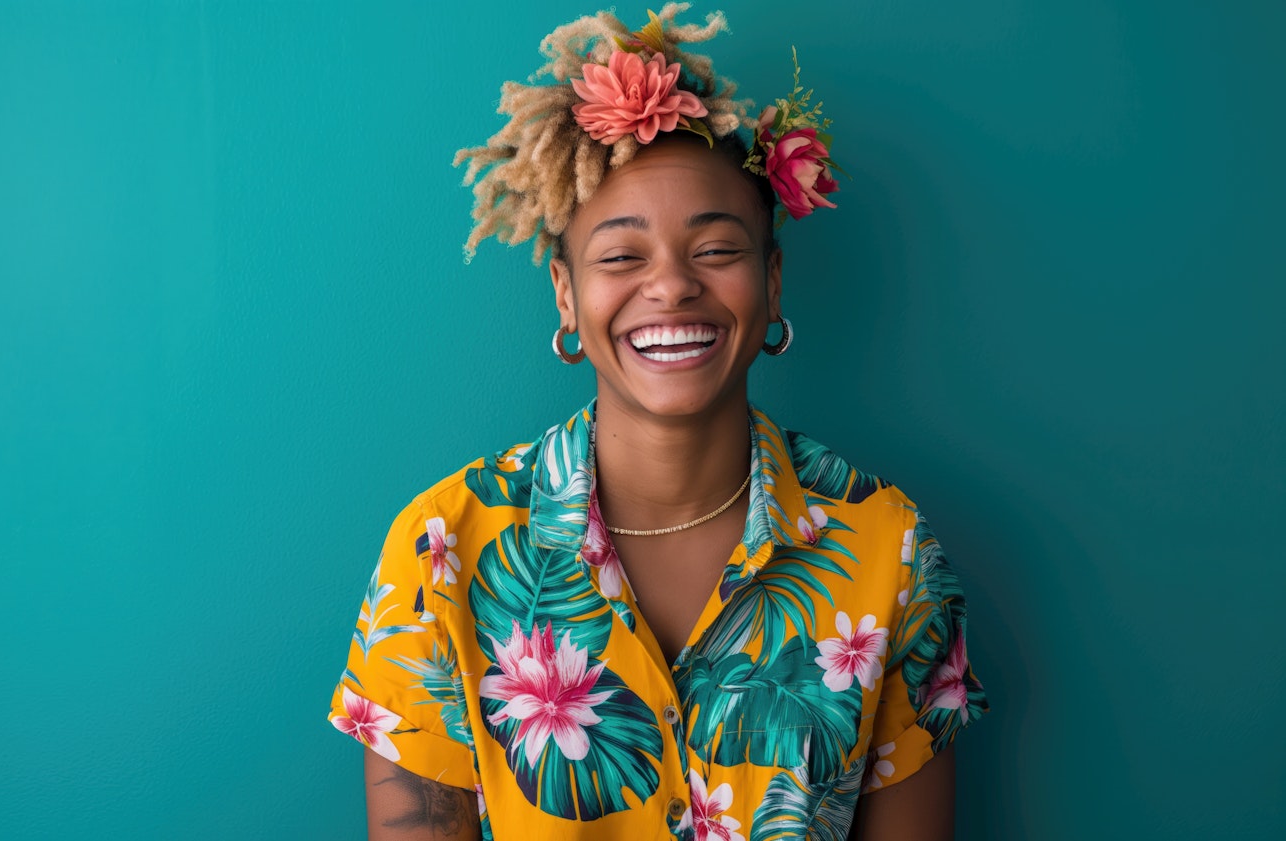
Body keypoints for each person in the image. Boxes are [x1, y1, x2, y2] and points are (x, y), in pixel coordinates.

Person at [327, 6, 988, 839]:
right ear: (566, 295)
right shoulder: (439, 550)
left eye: (716, 250)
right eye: (620, 255)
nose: (672, 286)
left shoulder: (891, 552)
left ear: (773, 281)